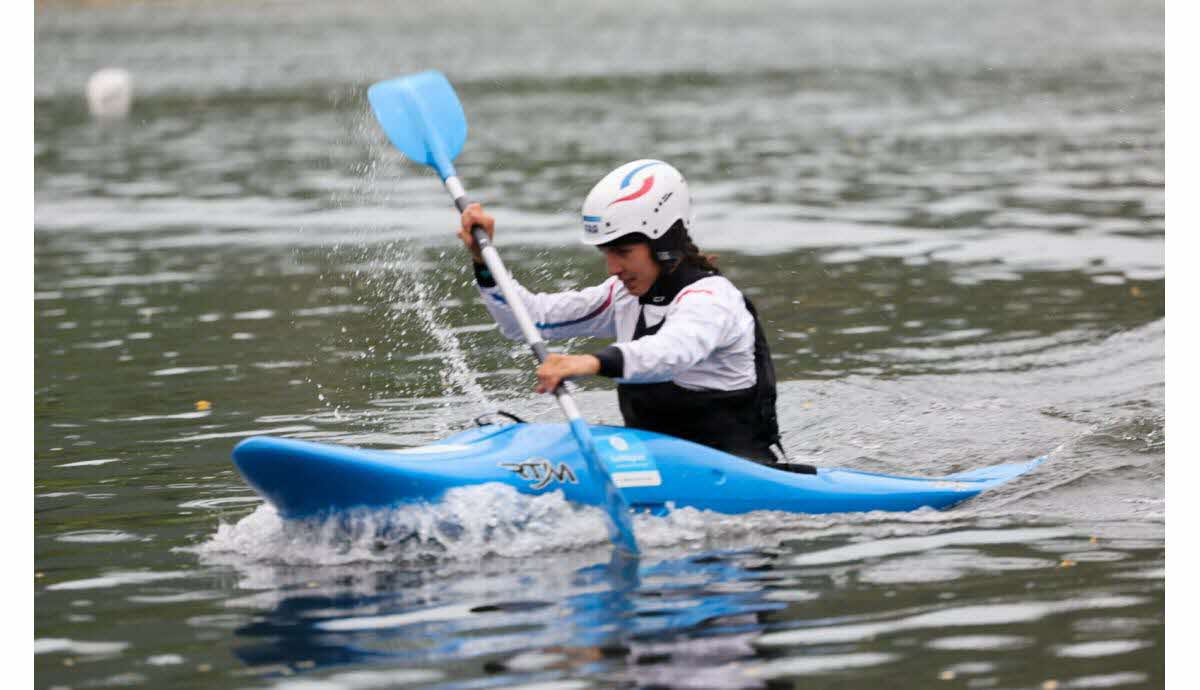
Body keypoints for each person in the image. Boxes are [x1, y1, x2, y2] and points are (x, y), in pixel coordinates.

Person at [458, 159, 783, 465]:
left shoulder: (712, 300)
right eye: (606, 253)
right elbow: (528, 320)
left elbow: (670, 352)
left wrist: (590, 362)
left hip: (739, 476)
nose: (613, 268)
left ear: (664, 242)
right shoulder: (624, 296)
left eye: (623, 252)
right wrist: (484, 263)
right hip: (657, 464)